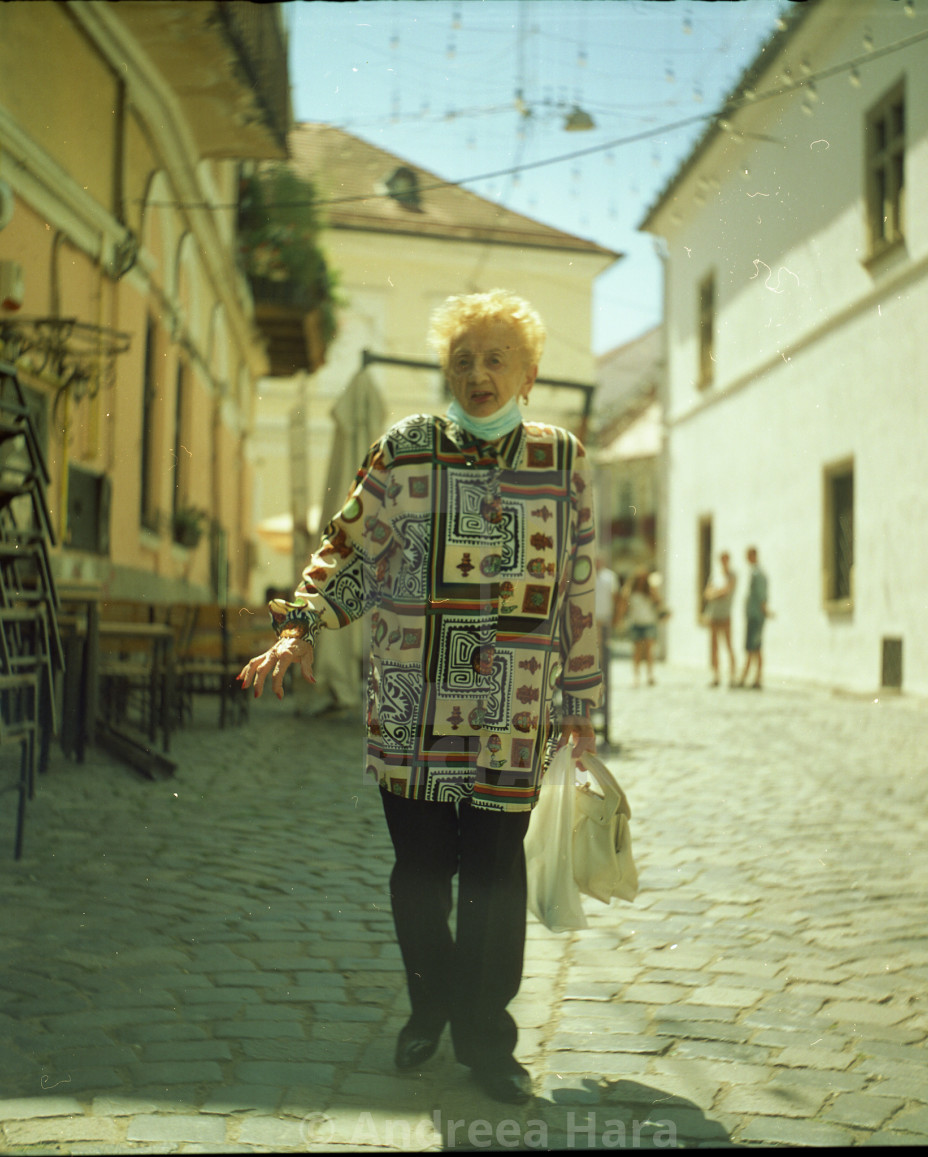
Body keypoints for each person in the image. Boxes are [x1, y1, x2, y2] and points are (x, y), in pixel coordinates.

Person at [238, 290, 601, 1106]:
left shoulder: (563, 460)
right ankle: (429, 1000)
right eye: (463, 359)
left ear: (530, 374)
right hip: (414, 703)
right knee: (420, 874)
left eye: (496, 357)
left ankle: (486, 1038)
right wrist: (298, 626)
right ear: (446, 370)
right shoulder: (405, 449)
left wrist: (581, 695)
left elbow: (577, 586)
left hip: (515, 707)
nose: (478, 373)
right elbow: (350, 554)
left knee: (496, 876)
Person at [619, 568, 663, 687]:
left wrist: (654, 592)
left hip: (648, 622)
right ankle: (636, 676)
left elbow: (659, 603)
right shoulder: (630, 592)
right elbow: (623, 606)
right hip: (636, 623)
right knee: (637, 651)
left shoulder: (650, 591)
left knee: (649, 650)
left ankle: (650, 675)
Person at [594, 557, 620, 741]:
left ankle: (598, 691)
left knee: (602, 661)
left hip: (603, 621)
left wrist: (615, 619)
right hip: (589, 621)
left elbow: (616, 598)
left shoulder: (609, 577)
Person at [737, 546, 769, 689]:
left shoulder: (757, 574)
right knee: (755, 647)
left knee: (753, 646)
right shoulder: (755, 573)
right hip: (753, 614)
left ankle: (749, 677)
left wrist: (763, 610)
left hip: (755, 615)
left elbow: (762, 595)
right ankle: (754, 677)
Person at [703, 550, 737, 687]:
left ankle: (732, 676)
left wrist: (715, 593)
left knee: (728, 645)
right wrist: (716, 592)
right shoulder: (716, 575)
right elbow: (707, 593)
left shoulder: (732, 575)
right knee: (714, 646)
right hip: (713, 614)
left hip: (725, 614)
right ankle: (716, 676)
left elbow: (726, 591)